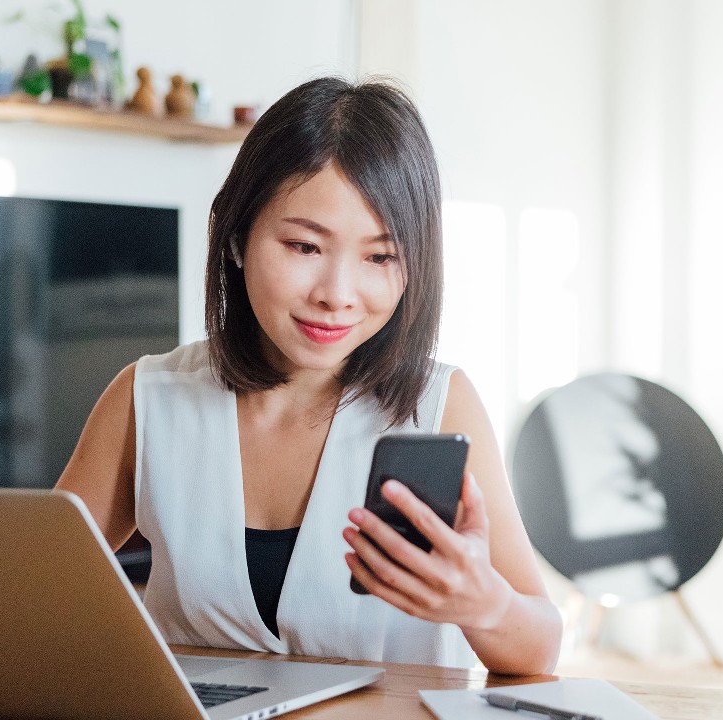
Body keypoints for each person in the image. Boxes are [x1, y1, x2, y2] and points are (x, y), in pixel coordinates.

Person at [55, 77, 561, 675]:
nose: (338, 296)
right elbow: (28, 597)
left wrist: (486, 605)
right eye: (303, 246)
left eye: (380, 257)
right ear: (237, 237)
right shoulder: (149, 399)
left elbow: (541, 650)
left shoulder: (439, 406)